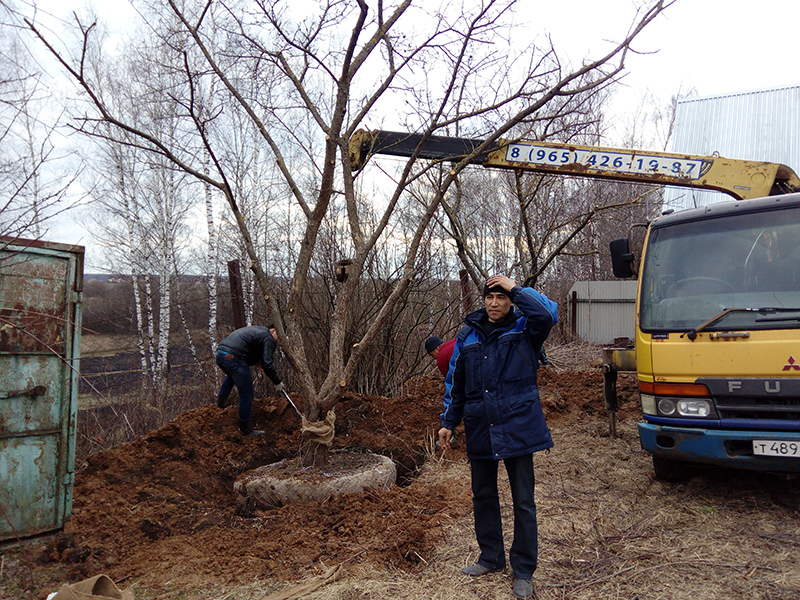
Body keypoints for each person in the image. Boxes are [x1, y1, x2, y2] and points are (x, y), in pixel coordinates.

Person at [438, 275, 557, 600]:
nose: (494, 303)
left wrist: (516, 288)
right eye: (490, 297)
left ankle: (523, 570)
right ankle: (490, 557)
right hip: (480, 426)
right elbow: (456, 383)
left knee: (523, 501)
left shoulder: (526, 328)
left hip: (519, 425)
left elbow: (547, 315)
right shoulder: (468, 335)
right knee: (483, 496)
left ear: (510, 301)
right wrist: (448, 421)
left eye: (501, 297)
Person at [215, 324, 284, 436]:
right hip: (234, 358)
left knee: (232, 376)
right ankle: (245, 429)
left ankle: (220, 407)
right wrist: (277, 382)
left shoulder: (258, 330)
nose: (278, 340)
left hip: (221, 354)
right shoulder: (269, 337)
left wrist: (258, 362)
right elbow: (267, 364)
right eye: (279, 336)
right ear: (273, 330)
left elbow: (250, 351)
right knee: (247, 394)